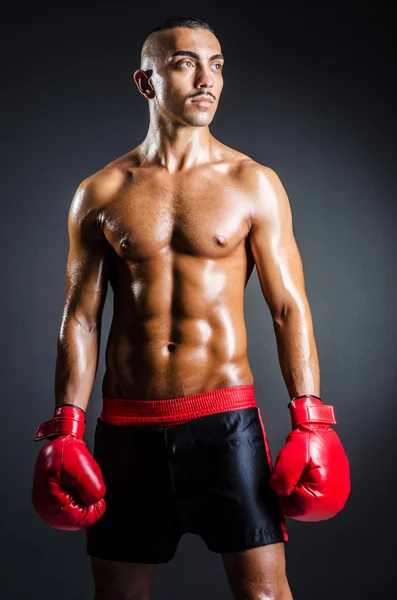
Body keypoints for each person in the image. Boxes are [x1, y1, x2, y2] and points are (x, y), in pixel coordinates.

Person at [32, 16, 350, 600]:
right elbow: (80, 317)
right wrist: (67, 429)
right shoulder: (101, 191)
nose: (207, 79)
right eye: (184, 63)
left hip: (224, 423)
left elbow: (288, 307)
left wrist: (311, 418)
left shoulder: (252, 182)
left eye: (218, 65)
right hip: (127, 428)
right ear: (146, 82)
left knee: (264, 596)